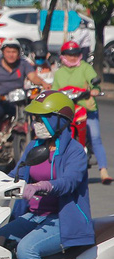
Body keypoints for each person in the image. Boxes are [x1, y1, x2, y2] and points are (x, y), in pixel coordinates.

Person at [0, 91, 94, 259]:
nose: (36, 124)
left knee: (26, 248)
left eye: (42, 118)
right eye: (35, 119)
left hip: (61, 220)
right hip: (33, 217)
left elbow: (70, 181)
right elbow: (16, 175)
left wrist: (44, 186)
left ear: (60, 120)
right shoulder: (34, 145)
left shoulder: (75, 152)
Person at [0, 37, 51, 151]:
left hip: (18, 102)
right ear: (3, 52)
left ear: (18, 53)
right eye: (8, 52)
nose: (11, 55)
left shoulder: (23, 64)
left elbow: (32, 76)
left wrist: (43, 83)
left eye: (14, 52)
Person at [54, 41, 110, 184]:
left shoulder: (85, 67)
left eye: (75, 54)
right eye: (69, 54)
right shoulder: (59, 73)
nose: (72, 57)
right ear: (63, 56)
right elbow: (55, 90)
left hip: (87, 108)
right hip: (67, 111)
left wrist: (94, 88)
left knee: (96, 137)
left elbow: (93, 79)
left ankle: (103, 171)